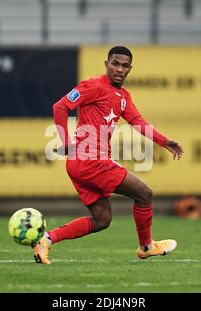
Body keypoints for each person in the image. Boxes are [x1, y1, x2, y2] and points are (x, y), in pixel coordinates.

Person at [33, 46, 183, 264]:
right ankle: (146, 246)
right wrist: (65, 142)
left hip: (81, 164)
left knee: (101, 220)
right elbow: (60, 107)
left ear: (130, 69)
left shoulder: (123, 96)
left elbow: (138, 122)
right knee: (144, 193)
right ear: (106, 64)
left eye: (124, 66)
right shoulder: (93, 85)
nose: (119, 69)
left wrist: (163, 140)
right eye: (115, 64)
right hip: (90, 161)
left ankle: (45, 240)